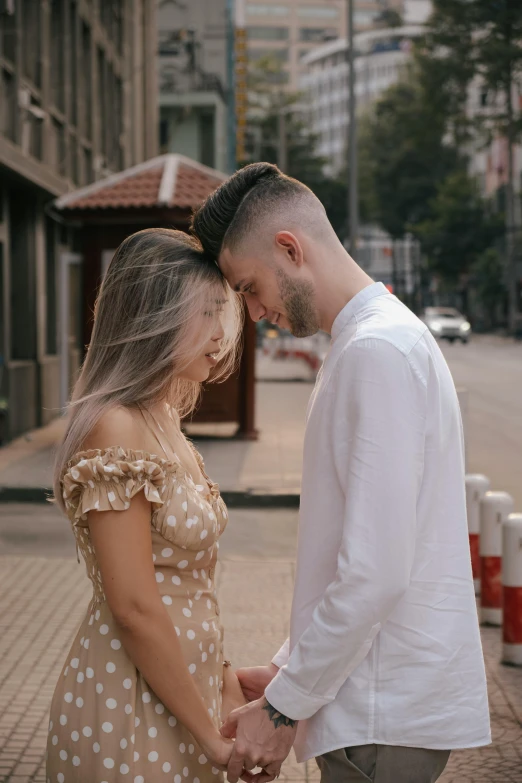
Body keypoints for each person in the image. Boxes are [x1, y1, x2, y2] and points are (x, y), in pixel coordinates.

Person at [190, 163, 491, 783]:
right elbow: (349, 559)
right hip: (374, 702)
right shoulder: (373, 342)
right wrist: (287, 668)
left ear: (290, 249)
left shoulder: (375, 351)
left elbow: (374, 573)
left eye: (248, 287)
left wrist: (280, 708)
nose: (250, 309)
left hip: (381, 711)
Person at [47, 228, 246, 781]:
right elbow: (133, 607)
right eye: (206, 313)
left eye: (222, 312)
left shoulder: (162, 416)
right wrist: (209, 737)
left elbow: (187, 585)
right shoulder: (116, 425)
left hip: (183, 689)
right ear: (152, 317)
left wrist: (223, 676)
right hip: (131, 700)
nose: (221, 335)